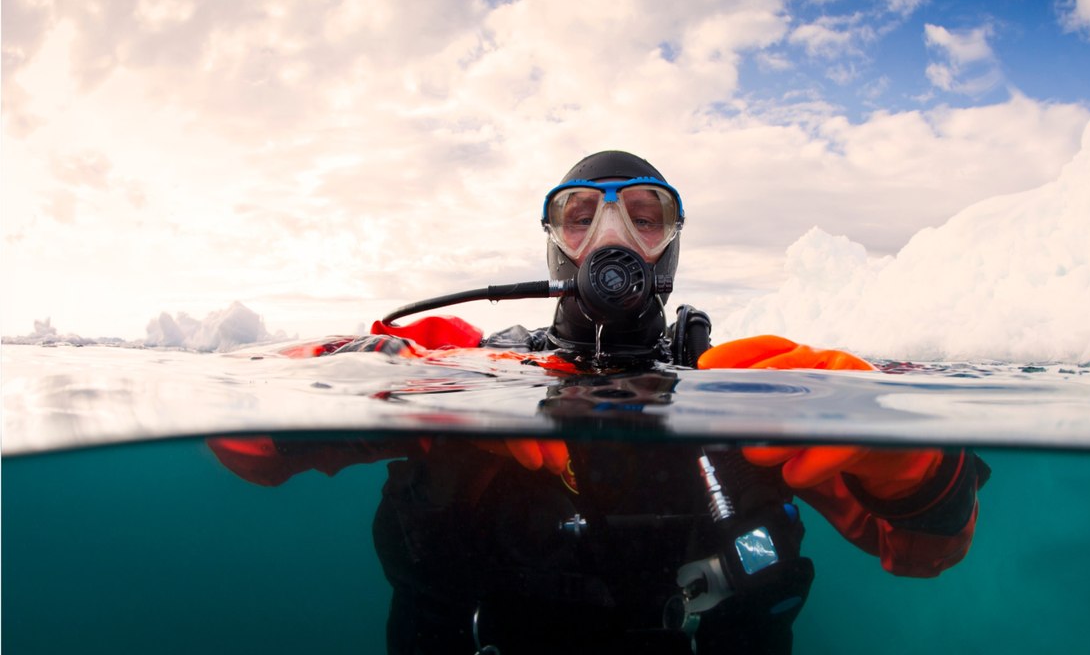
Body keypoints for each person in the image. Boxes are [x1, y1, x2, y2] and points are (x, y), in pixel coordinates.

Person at [209, 151, 989, 654]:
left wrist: (911, 461)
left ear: (669, 246)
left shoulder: (749, 388)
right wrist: (376, 362)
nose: (611, 236)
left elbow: (924, 552)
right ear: (554, 245)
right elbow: (244, 448)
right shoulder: (471, 371)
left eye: (643, 216)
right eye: (580, 216)